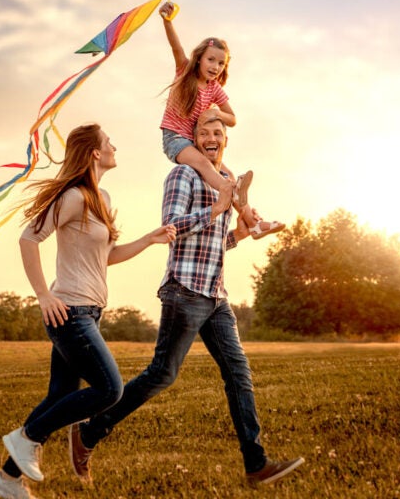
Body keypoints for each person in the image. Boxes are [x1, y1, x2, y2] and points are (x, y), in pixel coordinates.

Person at [68, 115, 304, 486]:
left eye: (218, 134)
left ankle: (256, 465)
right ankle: (89, 433)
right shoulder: (183, 176)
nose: (212, 138)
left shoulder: (222, 182)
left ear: (225, 141)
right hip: (184, 291)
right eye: (204, 134)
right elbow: (172, 228)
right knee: (162, 374)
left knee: (238, 374)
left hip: (216, 295)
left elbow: (213, 245)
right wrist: (216, 208)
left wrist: (238, 234)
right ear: (193, 141)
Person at [0, 124, 177, 499]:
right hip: (68, 310)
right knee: (110, 389)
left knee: (60, 396)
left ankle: (7, 480)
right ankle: (27, 438)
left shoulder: (100, 197)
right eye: (109, 142)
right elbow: (29, 238)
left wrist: (148, 239)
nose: (114, 146)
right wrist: (43, 295)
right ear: (94, 152)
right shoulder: (73, 196)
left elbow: (106, 257)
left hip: (88, 311)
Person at [157, 0, 284, 241]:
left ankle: (254, 224)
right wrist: (167, 21)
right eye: (211, 60)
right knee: (208, 169)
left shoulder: (214, 89)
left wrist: (216, 113)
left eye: (221, 63)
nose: (215, 67)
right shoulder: (185, 72)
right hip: (175, 139)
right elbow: (176, 48)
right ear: (199, 59)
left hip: (193, 143)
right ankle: (230, 191)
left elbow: (232, 118)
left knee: (228, 174)